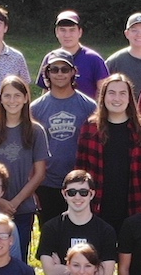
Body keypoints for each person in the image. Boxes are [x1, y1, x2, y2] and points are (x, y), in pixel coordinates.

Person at [0, 78, 49, 254]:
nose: (12, 100)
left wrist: (14, 203)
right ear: (0, 98)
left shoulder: (36, 130)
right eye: (7, 95)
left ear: (25, 99)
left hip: (22, 208)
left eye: (17, 95)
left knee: (19, 255)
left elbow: (39, 174)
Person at [74, 73, 141, 227]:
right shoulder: (91, 128)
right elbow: (81, 170)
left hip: (135, 206)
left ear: (129, 98)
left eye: (122, 94)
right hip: (97, 207)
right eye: (112, 93)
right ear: (103, 96)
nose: (117, 99)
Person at [32, 50, 98, 222]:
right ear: (46, 73)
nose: (60, 74)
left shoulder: (89, 107)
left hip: (80, 185)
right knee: (50, 235)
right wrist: (32, 188)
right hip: (47, 184)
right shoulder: (35, 108)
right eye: (54, 69)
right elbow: (30, 148)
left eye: (64, 69)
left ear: (73, 72)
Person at [36, 171, 118, 275]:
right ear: (64, 194)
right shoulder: (51, 228)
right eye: (72, 192)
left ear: (92, 194)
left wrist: (61, 268)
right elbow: (50, 273)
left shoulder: (106, 230)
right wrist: (93, 270)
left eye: (83, 192)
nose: (77, 197)